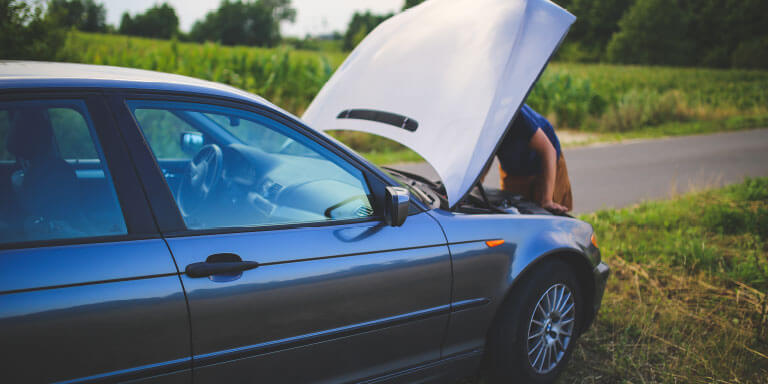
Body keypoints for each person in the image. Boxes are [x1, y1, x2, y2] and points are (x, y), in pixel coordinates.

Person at [495, 104, 572, 213]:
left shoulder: (515, 114)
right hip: (513, 168)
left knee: (547, 213)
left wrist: (547, 200)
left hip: (546, 163)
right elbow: (483, 158)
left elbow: (548, 151)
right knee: (513, 213)